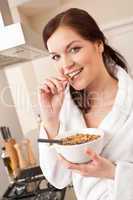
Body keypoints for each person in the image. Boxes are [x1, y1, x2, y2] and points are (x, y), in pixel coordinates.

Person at [38, 8, 133, 200]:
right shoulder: (65, 109)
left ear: (98, 44)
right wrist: (50, 121)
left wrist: (114, 172)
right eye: (56, 56)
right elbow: (57, 179)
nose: (65, 65)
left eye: (74, 49)